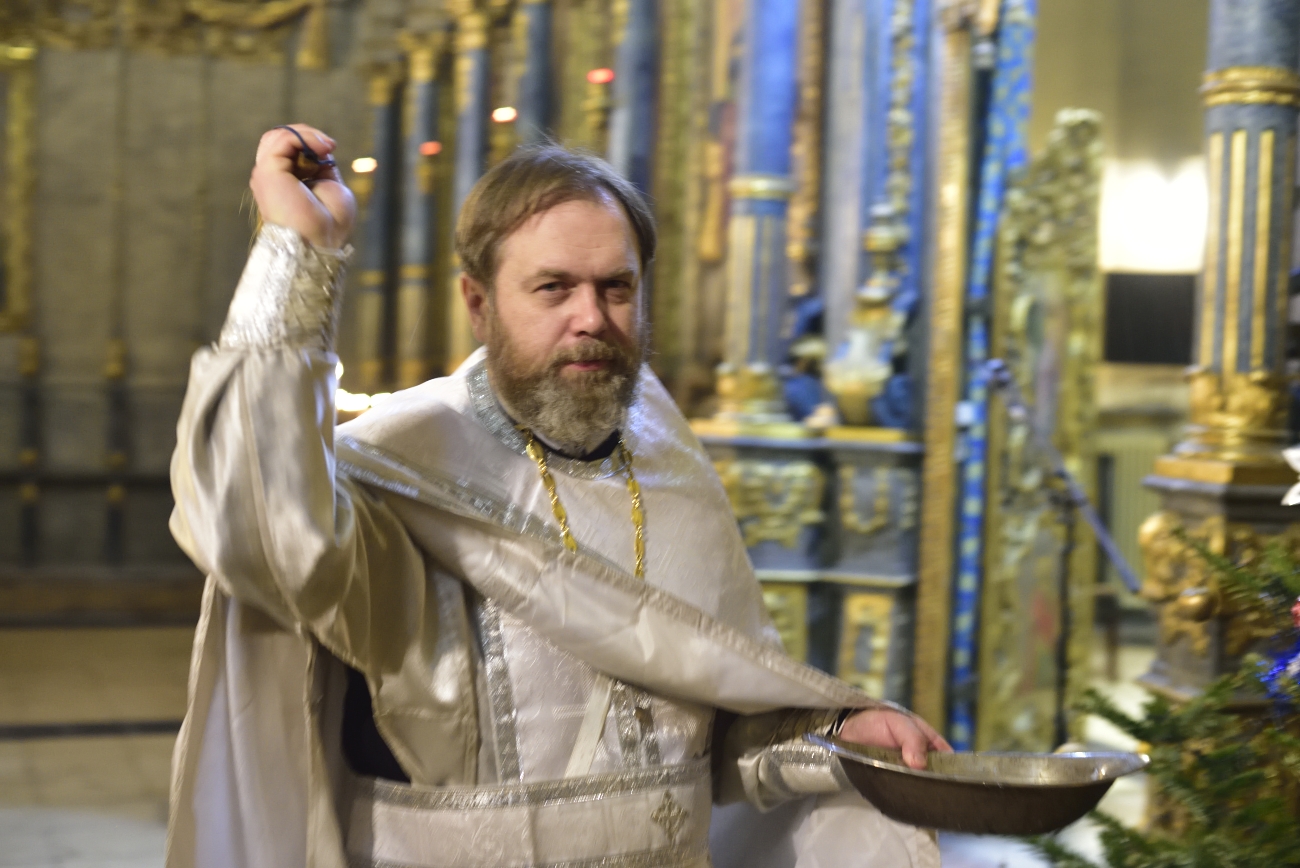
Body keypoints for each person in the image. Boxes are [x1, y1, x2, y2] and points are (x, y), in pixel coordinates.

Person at [165, 124, 951, 868]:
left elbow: (720, 734)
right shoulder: (399, 472)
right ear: (479, 305)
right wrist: (300, 253)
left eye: (616, 288)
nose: (591, 319)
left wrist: (836, 732)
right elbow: (257, 529)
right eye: (553, 288)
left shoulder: (675, 473)